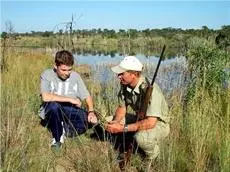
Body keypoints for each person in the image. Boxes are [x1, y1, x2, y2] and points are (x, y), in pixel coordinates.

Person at [104, 56, 170, 170]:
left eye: (122, 73)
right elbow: (121, 107)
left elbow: (150, 123)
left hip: (159, 124)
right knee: (107, 121)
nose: (118, 76)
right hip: (140, 118)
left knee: (142, 138)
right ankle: (127, 144)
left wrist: (122, 128)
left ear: (133, 74)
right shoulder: (125, 84)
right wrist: (116, 122)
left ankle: (152, 156)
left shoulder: (152, 90)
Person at [39, 50, 97, 150]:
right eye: (64, 70)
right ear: (55, 66)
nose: (67, 73)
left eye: (69, 69)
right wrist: (70, 99)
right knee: (54, 106)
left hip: (69, 110)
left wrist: (91, 112)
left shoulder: (75, 76)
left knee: (88, 121)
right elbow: (45, 97)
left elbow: (86, 96)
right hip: (52, 109)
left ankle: (63, 128)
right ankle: (57, 138)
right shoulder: (47, 74)